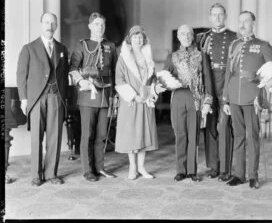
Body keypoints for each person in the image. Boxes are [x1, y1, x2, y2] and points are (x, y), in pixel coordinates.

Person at [223, 11, 272, 189]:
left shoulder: (263, 45)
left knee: (252, 137)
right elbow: (229, 72)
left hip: (252, 97)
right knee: (239, 136)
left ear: (253, 24)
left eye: (246, 21)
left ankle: (253, 175)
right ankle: (239, 175)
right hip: (234, 96)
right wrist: (226, 99)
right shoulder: (233, 45)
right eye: (240, 21)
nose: (242, 25)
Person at [17, 12, 69, 186]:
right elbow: (21, 75)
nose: (50, 25)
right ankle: (36, 175)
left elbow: (64, 75)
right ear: (41, 24)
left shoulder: (62, 49)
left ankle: (51, 174)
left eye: (53, 23)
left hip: (56, 96)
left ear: (56, 26)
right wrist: (24, 100)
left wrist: (65, 98)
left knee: (54, 137)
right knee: (36, 138)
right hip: (37, 99)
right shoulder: (29, 48)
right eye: (46, 22)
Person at [69, 12, 118, 182]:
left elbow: (114, 73)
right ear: (90, 26)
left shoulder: (110, 46)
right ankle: (87, 170)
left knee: (102, 135)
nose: (100, 27)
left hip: (105, 96)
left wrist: (114, 95)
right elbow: (73, 68)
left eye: (102, 24)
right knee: (87, 134)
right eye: (97, 24)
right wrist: (81, 81)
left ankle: (100, 167)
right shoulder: (82, 45)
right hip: (87, 95)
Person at [114, 25, 166, 180]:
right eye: (135, 36)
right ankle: (132, 167)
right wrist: (133, 96)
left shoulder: (147, 57)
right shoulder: (123, 58)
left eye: (140, 36)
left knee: (144, 133)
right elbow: (119, 79)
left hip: (145, 101)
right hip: (131, 102)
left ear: (144, 39)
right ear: (130, 39)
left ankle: (142, 167)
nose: (138, 39)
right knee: (131, 134)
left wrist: (152, 92)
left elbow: (153, 79)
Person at [163, 24, 213, 182]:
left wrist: (208, 100)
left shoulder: (201, 55)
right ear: (178, 37)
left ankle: (192, 170)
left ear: (192, 36)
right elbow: (164, 77)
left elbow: (207, 78)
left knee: (194, 134)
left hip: (196, 98)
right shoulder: (172, 56)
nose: (186, 36)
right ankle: (180, 170)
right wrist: (163, 84)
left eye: (189, 34)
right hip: (178, 96)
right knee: (180, 134)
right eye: (182, 34)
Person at [196, 3, 236, 181]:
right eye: (214, 15)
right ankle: (214, 166)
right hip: (209, 83)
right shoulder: (203, 38)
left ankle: (226, 168)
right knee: (210, 126)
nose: (218, 17)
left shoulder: (234, 37)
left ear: (225, 16)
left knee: (225, 126)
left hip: (226, 84)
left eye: (221, 14)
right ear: (210, 17)